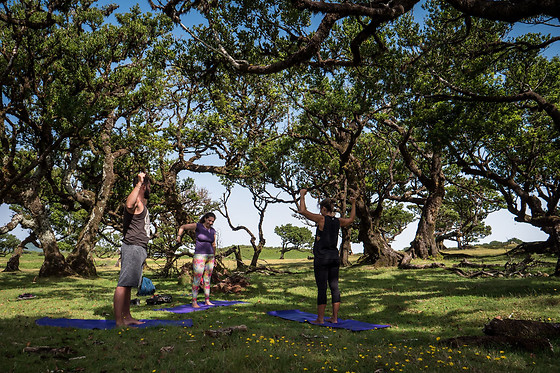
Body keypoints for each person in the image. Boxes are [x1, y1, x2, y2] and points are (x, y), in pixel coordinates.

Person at [298, 188, 356, 324]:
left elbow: (303, 211)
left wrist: (302, 195)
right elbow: (351, 219)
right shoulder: (338, 221)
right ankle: (334, 318)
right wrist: (353, 204)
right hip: (334, 258)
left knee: (322, 288)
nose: (320, 212)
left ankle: (320, 319)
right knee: (334, 287)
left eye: (321, 210)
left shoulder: (321, 219)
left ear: (324, 209)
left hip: (322, 258)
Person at [113, 171, 151, 327]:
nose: (150, 188)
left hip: (139, 247)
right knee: (123, 283)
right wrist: (139, 182)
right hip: (132, 246)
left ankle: (127, 316)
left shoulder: (143, 202)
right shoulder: (136, 203)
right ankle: (119, 321)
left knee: (129, 284)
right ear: (144, 185)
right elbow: (128, 204)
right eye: (149, 186)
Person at [177, 212, 217, 308]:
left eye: (212, 221)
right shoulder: (198, 226)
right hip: (199, 256)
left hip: (210, 256)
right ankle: (194, 302)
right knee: (197, 279)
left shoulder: (213, 231)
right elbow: (183, 227)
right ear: (205, 219)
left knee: (207, 280)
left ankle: (207, 301)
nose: (210, 223)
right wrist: (179, 236)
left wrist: (214, 257)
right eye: (209, 220)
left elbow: (214, 244)